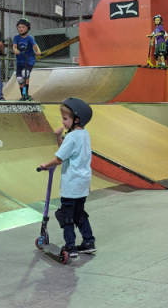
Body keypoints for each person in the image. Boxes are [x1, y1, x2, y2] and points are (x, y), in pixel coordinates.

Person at [40, 97, 96, 256]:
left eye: (65, 119)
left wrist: (45, 165)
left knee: (66, 216)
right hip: (83, 182)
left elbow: (59, 158)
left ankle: (70, 246)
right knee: (80, 213)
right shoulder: (84, 134)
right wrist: (59, 137)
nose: (63, 122)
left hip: (71, 183)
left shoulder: (71, 137)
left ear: (77, 119)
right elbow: (66, 151)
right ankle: (89, 242)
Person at [13, 18, 41, 101]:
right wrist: (15, 50)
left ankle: (25, 94)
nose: (20, 29)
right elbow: (14, 46)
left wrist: (38, 51)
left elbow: (35, 46)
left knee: (25, 73)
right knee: (19, 79)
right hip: (20, 60)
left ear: (28, 28)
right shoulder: (16, 37)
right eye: (19, 27)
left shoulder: (29, 38)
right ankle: (23, 95)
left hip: (29, 59)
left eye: (23, 27)